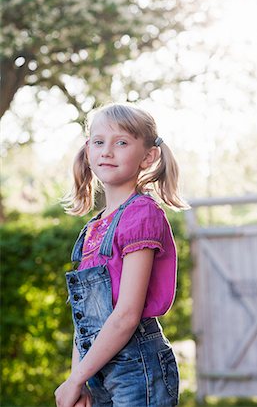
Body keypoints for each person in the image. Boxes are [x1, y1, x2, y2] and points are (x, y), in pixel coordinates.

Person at [55, 103, 188, 407]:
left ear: (148, 156)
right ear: (88, 151)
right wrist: (81, 379)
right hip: (98, 367)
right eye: (99, 142)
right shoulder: (94, 226)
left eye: (122, 142)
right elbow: (85, 319)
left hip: (136, 367)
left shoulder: (142, 214)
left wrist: (75, 379)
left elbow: (127, 315)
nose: (107, 151)